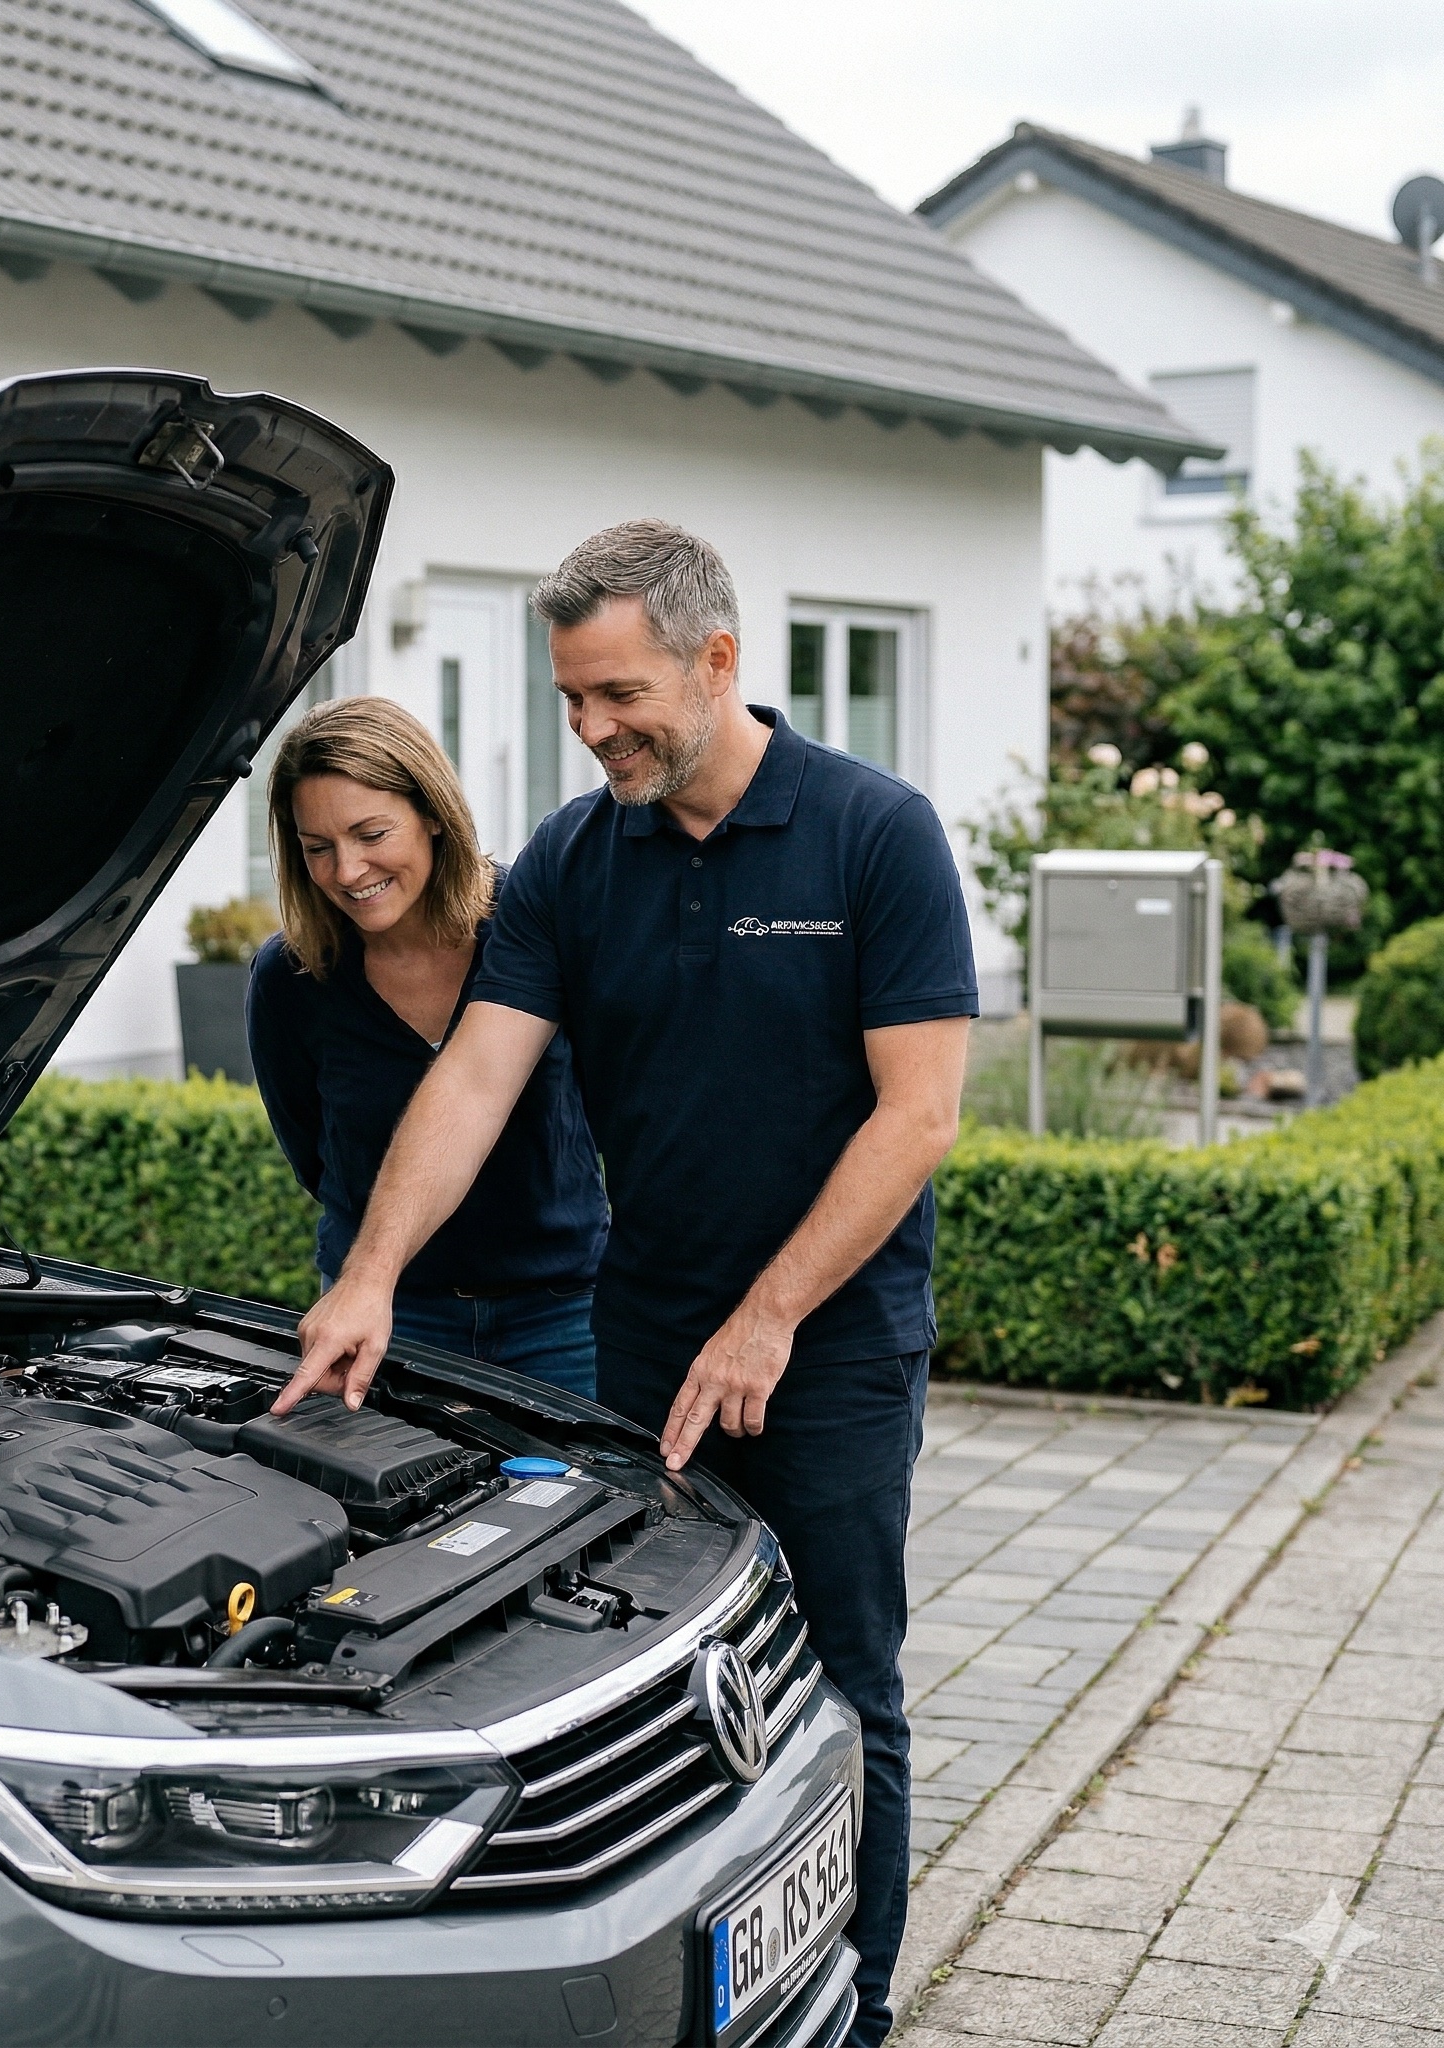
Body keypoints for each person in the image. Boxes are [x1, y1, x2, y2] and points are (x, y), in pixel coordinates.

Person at [271, 523, 975, 2045]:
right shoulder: (577, 865)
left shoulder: (875, 834)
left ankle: (853, 2005)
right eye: (573, 699)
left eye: (616, 694)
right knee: (647, 1677)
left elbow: (917, 1114)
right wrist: (369, 1277)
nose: (591, 729)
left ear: (717, 662)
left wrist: (771, 1316)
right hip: (645, 1342)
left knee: (847, 1678)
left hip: (832, 1350)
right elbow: (469, 1080)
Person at [247, 696, 606, 1398]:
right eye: (317, 847)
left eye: (370, 833)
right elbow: (314, 1156)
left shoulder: (531, 931)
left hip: (564, 1316)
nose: (347, 870)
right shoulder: (290, 978)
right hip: (385, 1318)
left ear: (433, 813)